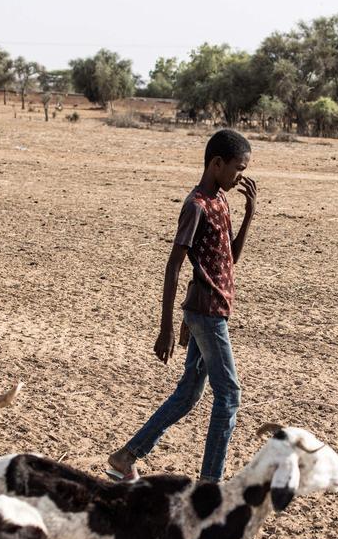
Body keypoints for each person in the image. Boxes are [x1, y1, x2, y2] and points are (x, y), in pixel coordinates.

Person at [107, 129, 257, 482]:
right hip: (205, 312)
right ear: (217, 164)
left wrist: (250, 215)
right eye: (238, 168)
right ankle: (210, 483)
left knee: (189, 394)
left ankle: (125, 457)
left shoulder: (221, 201)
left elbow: (230, 258)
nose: (242, 176)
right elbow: (173, 265)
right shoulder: (196, 206)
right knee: (229, 395)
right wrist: (167, 327)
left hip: (212, 309)